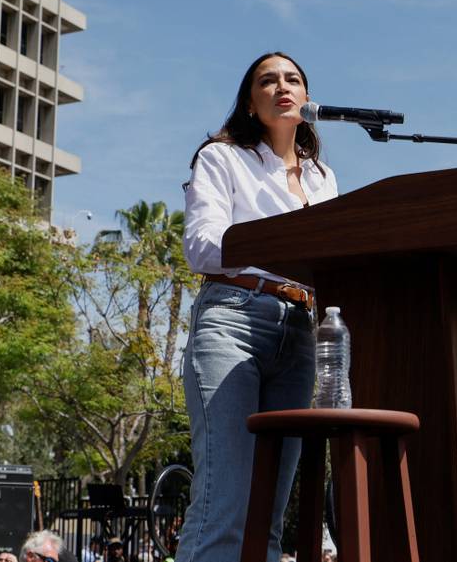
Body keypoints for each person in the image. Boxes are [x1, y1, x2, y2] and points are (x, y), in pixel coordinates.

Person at [178, 51, 338, 562]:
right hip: (234, 320)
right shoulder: (221, 157)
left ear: (307, 100)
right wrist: (285, 241)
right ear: (250, 102)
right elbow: (202, 246)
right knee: (224, 503)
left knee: (268, 515)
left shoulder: (323, 179)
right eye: (267, 81)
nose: (282, 86)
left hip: (301, 331)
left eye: (293, 79)